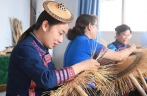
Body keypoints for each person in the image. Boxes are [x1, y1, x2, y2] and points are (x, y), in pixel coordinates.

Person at [6, 1, 100, 96]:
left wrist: (73, 85)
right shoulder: (25, 48)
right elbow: (46, 79)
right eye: (60, 33)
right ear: (45, 26)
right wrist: (82, 66)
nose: (61, 40)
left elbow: (54, 79)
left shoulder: (42, 49)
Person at [63, 14, 136, 95]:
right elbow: (119, 56)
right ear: (90, 26)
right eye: (97, 26)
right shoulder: (88, 43)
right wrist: (132, 48)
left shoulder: (75, 41)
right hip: (84, 90)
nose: (97, 29)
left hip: (72, 89)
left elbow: (100, 60)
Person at [107, 24, 142, 96]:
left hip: (130, 74)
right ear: (117, 34)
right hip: (118, 75)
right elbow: (113, 62)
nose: (126, 38)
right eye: (124, 35)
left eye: (128, 35)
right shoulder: (111, 47)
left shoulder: (128, 47)